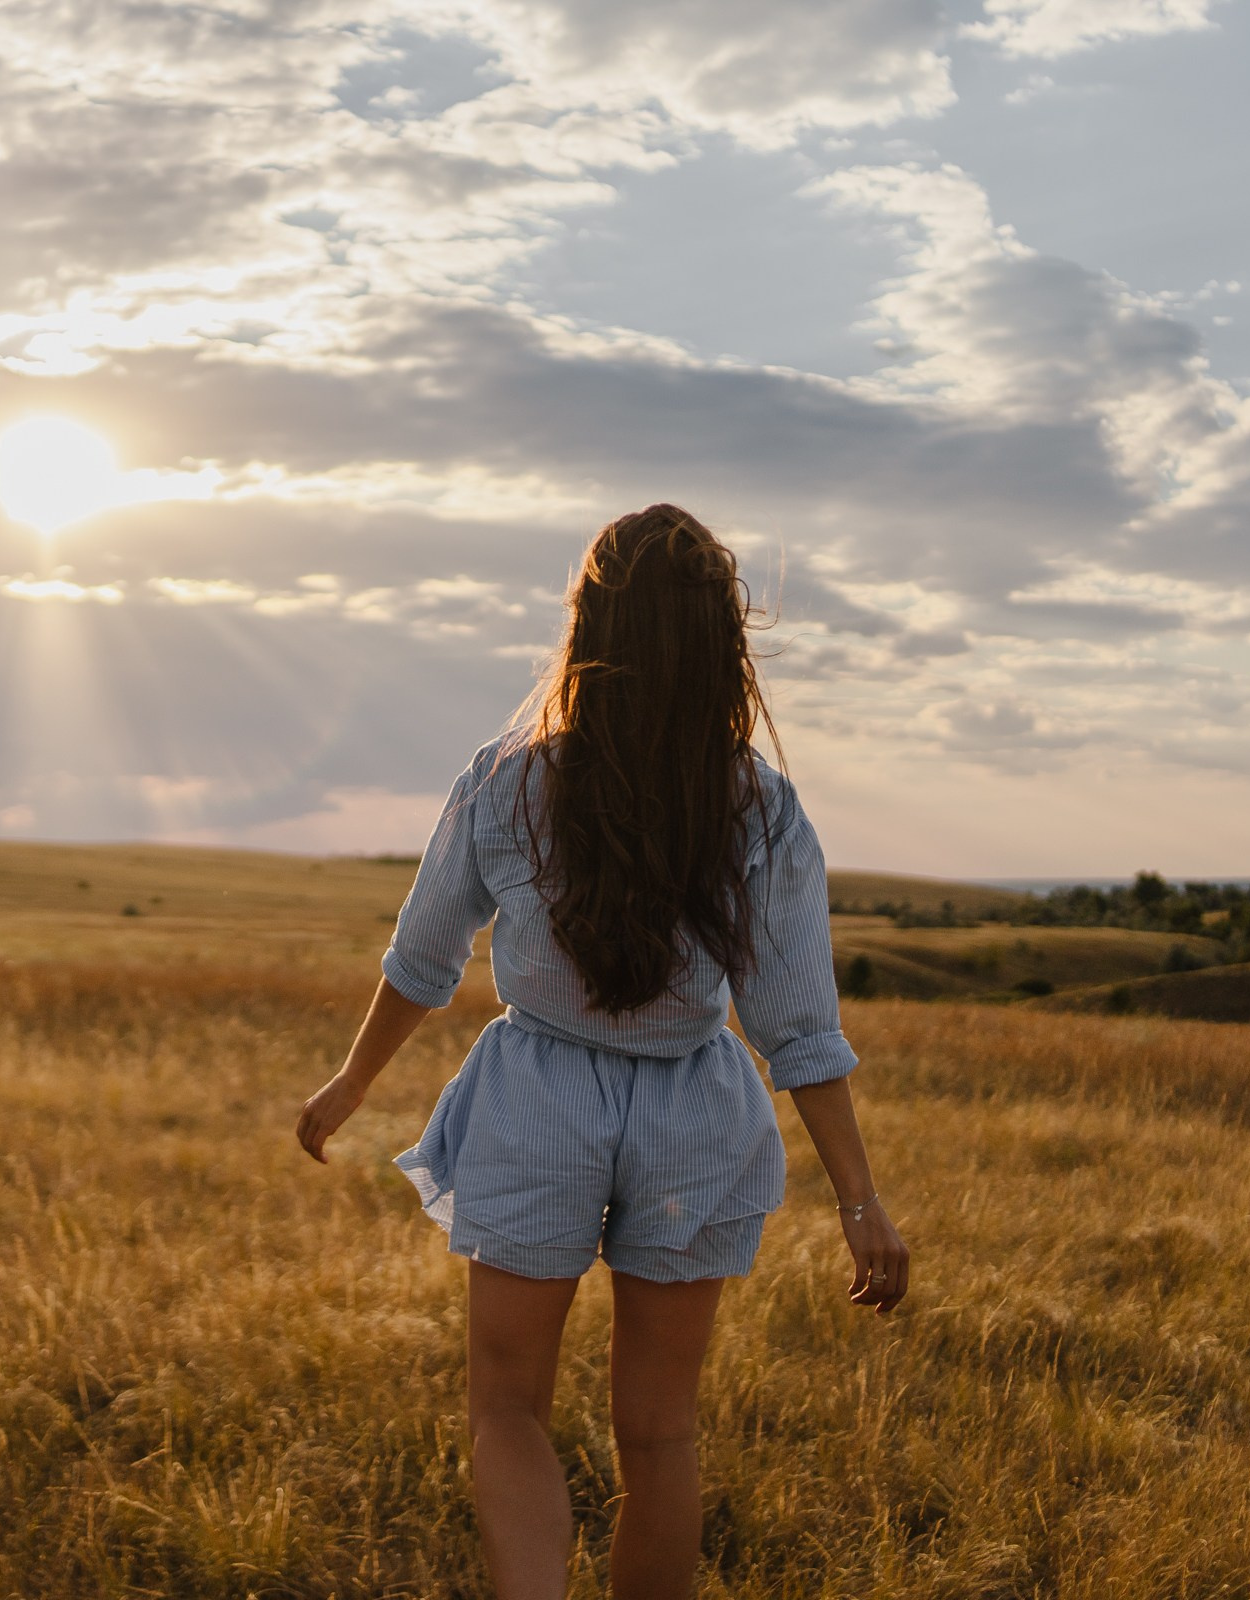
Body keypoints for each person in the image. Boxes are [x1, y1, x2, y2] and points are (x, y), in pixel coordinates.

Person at [295, 504, 908, 1600]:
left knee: (505, 1406)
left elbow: (423, 957)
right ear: (724, 646)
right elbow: (799, 1029)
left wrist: (351, 1082)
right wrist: (860, 1199)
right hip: (694, 1116)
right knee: (662, 1435)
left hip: (537, 1103)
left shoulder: (508, 778)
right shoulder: (762, 808)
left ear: (588, 628)